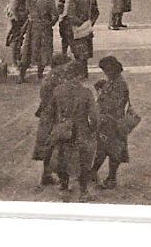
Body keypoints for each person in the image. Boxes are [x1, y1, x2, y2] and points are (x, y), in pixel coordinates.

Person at [45, 62, 99, 202]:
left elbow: (50, 112)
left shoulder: (58, 90)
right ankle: (83, 192)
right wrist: (94, 130)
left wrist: (54, 128)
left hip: (63, 129)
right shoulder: (86, 93)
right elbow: (93, 116)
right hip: (81, 130)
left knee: (62, 158)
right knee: (83, 161)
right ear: (79, 75)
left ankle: (64, 189)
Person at [32, 52, 72, 188]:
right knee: (57, 148)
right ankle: (59, 179)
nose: (67, 68)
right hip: (53, 118)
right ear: (59, 66)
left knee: (50, 147)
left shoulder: (54, 77)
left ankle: (46, 175)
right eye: (65, 65)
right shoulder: (54, 80)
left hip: (49, 117)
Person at [92, 56, 131, 190]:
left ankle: (110, 178)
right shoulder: (114, 81)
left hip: (113, 122)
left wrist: (101, 93)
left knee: (112, 151)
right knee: (105, 149)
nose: (105, 73)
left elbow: (114, 104)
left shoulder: (119, 84)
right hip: (109, 121)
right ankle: (96, 173)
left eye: (106, 70)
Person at [20, 0, 59, 82]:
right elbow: (55, 15)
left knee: (27, 50)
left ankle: (21, 75)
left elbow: (27, 10)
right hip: (44, 28)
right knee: (44, 50)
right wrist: (50, 24)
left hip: (32, 26)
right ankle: (39, 75)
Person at [63, 0, 100, 78]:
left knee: (77, 51)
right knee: (85, 51)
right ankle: (84, 72)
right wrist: (90, 23)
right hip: (87, 28)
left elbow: (70, 14)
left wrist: (79, 24)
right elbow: (96, 12)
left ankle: (81, 73)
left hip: (76, 28)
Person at [6, 0, 39, 67]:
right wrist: (16, 18)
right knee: (16, 38)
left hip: (19, 15)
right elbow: (15, 4)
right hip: (17, 16)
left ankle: (17, 58)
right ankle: (15, 61)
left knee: (19, 39)